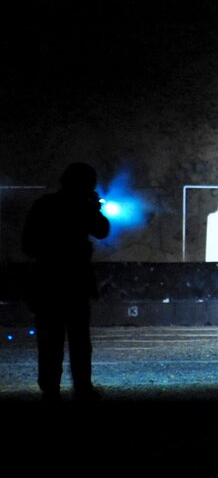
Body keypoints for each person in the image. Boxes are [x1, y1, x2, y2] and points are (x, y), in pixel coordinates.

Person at [21, 162, 111, 403]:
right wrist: (93, 207)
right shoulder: (82, 206)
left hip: (48, 281)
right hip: (75, 282)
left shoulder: (44, 204)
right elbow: (102, 230)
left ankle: (50, 390)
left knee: (49, 342)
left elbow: (28, 245)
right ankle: (82, 389)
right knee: (80, 342)